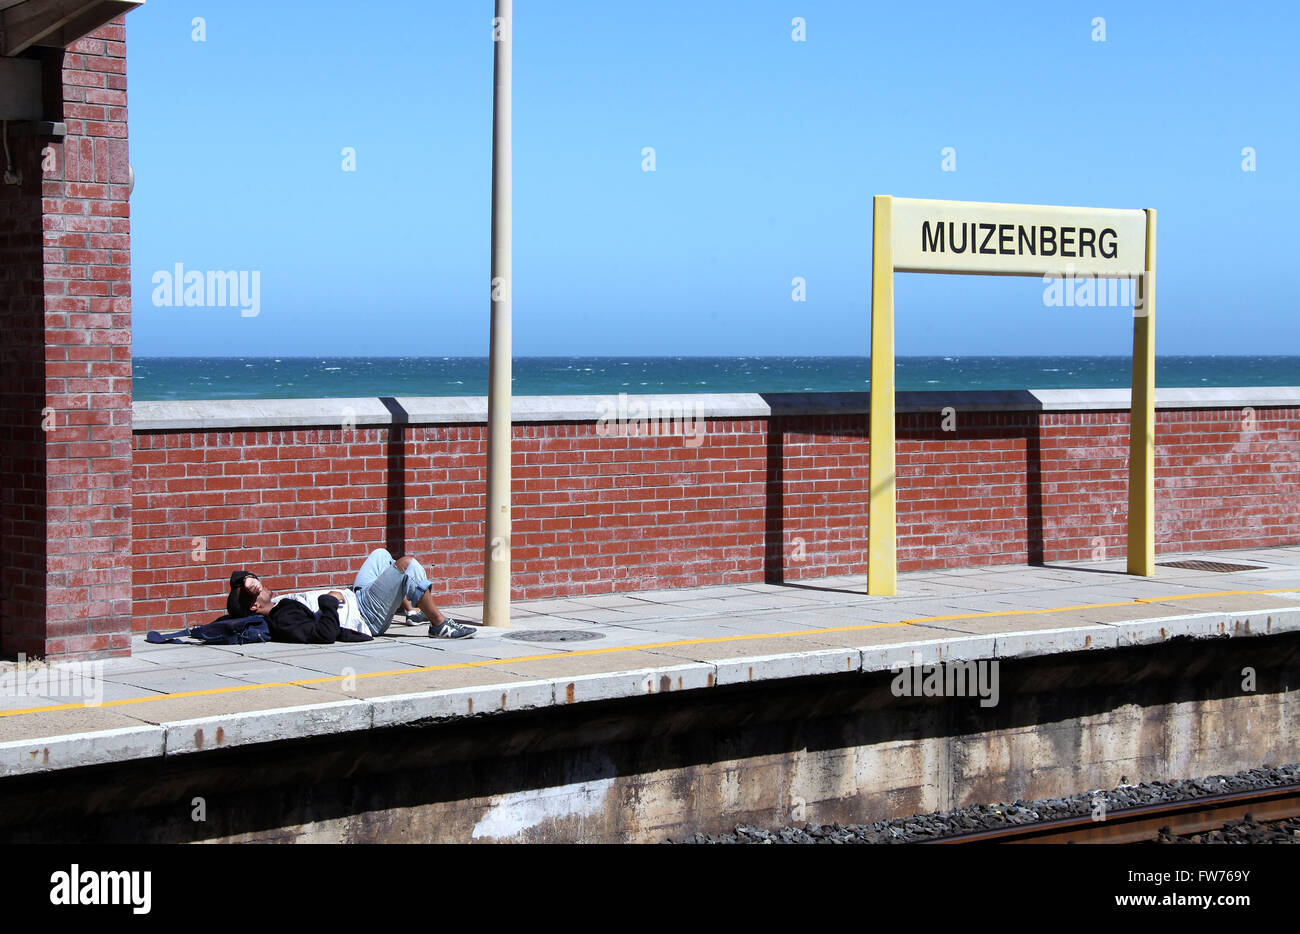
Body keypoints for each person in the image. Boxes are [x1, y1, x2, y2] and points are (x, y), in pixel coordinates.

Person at [229, 548, 477, 641]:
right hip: (366, 616)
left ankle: (412, 611)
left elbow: (242, 579)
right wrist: (329, 601)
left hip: (357, 597)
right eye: (254, 591)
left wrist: (245, 580)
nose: (258, 585)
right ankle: (439, 625)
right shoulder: (282, 618)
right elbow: (322, 634)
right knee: (408, 565)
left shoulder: (279, 604)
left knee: (380, 555)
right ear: (253, 607)